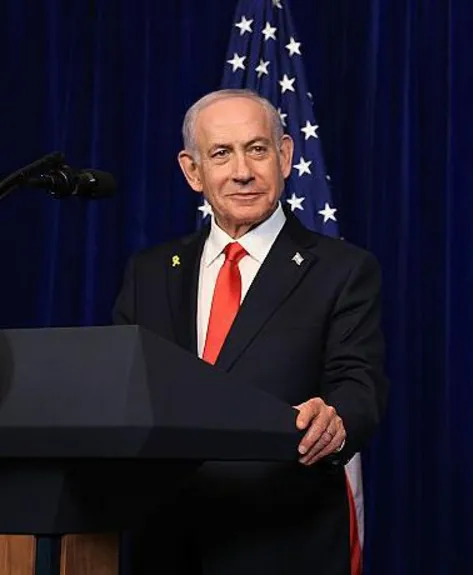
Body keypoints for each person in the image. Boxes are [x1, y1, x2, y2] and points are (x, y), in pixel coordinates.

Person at [112, 88, 387, 574]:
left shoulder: (343, 269)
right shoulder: (150, 271)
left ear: (284, 156)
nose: (242, 171)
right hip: (164, 542)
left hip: (283, 538)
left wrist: (337, 417)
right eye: (221, 154)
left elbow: (358, 383)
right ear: (193, 171)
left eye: (257, 149)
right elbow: (121, 390)